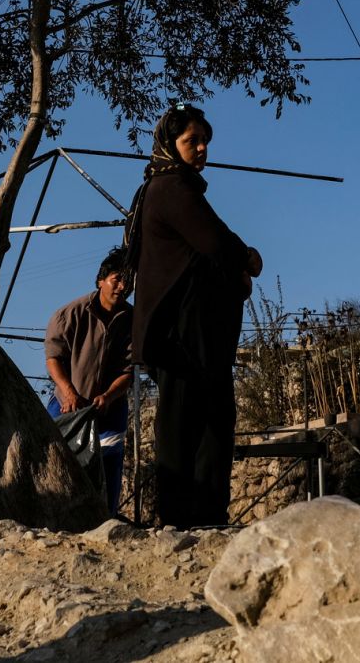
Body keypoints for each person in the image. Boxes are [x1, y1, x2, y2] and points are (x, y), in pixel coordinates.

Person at [128, 103, 261, 529]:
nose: (202, 148)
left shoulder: (176, 188)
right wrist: (248, 260)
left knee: (212, 419)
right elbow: (215, 242)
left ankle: (205, 514)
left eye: (204, 141)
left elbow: (204, 254)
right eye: (191, 141)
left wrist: (234, 277)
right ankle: (181, 515)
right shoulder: (171, 189)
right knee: (185, 423)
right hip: (182, 333)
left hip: (198, 331)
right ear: (170, 144)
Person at [44, 247, 134, 512]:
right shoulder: (70, 314)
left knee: (109, 468)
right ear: (101, 281)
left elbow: (128, 372)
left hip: (109, 409)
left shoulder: (133, 320)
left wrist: (109, 396)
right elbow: (53, 358)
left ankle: (107, 519)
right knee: (58, 465)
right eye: (116, 278)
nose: (122, 286)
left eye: (127, 280)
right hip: (67, 405)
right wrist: (68, 392)